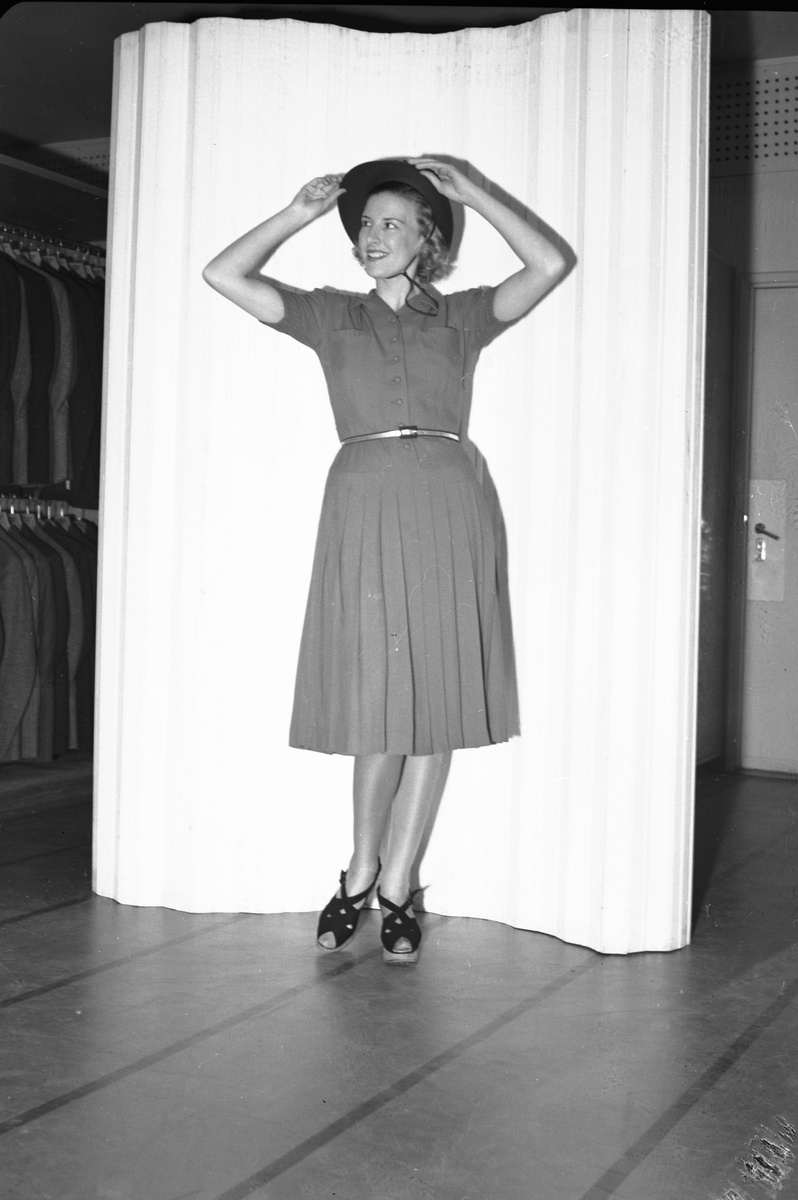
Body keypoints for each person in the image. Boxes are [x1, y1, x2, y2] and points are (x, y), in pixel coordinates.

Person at [203, 157, 566, 963]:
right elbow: (222, 274)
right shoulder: (331, 316)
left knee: (437, 700)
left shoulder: (464, 316)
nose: (373, 236)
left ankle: (398, 884)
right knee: (378, 704)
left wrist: (478, 195)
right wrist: (295, 213)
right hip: (363, 498)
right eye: (366, 225)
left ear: (426, 239)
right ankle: (360, 869)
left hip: (447, 502)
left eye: (392, 224)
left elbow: (547, 264)